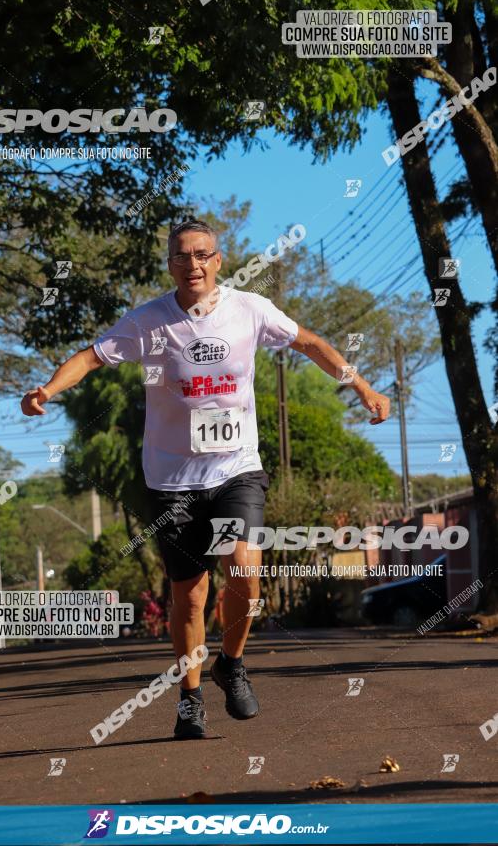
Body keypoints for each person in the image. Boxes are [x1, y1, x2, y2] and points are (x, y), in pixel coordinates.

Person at [21, 219, 390, 739]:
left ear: (218, 261)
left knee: (245, 568)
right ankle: (191, 697)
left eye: (201, 255)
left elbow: (308, 343)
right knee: (190, 597)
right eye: (181, 257)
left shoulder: (250, 310)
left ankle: (232, 664)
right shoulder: (149, 321)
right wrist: (48, 390)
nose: (191, 265)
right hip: (171, 479)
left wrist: (364, 387)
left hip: (237, 467)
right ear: (170, 265)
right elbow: (90, 357)